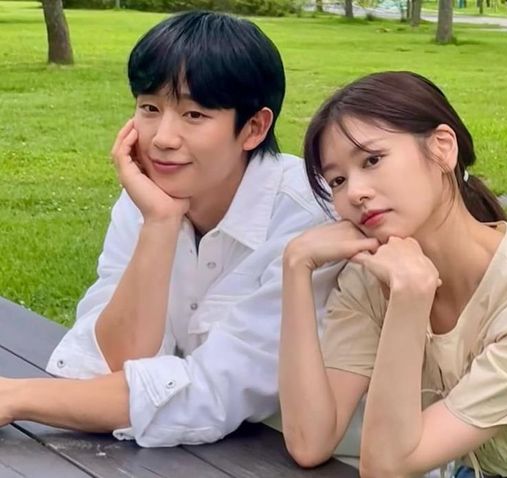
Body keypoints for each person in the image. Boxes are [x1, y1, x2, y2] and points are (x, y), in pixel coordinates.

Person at [0, 11, 339, 447]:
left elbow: (217, 392)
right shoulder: (148, 197)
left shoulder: (306, 217)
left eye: (193, 115)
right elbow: (107, 365)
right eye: (149, 108)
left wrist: (17, 397)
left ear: (254, 128)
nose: (162, 138)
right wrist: (160, 223)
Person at [278, 71, 507, 477]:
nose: (355, 192)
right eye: (338, 180)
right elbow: (310, 441)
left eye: (372, 160)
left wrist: (410, 301)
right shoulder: (372, 278)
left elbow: (385, 467)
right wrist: (296, 266)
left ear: (442, 147)